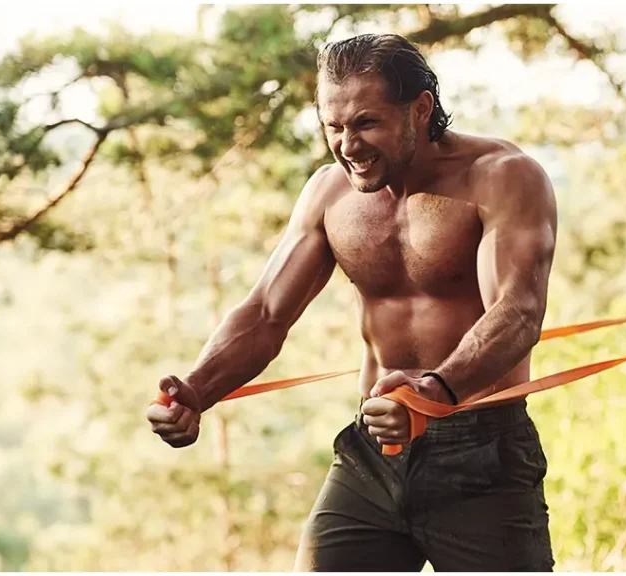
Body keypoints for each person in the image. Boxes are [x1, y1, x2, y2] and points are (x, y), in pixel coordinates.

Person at [145, 33, 558, 571]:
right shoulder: (328, 193)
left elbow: (518, 312)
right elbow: (266, 314)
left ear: (420, 109)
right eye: (332, 127)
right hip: (373, 452)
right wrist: (198, 390)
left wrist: (434, 390)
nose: (348, 145)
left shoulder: (502, 177)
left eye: (366, 123)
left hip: (482, 452)